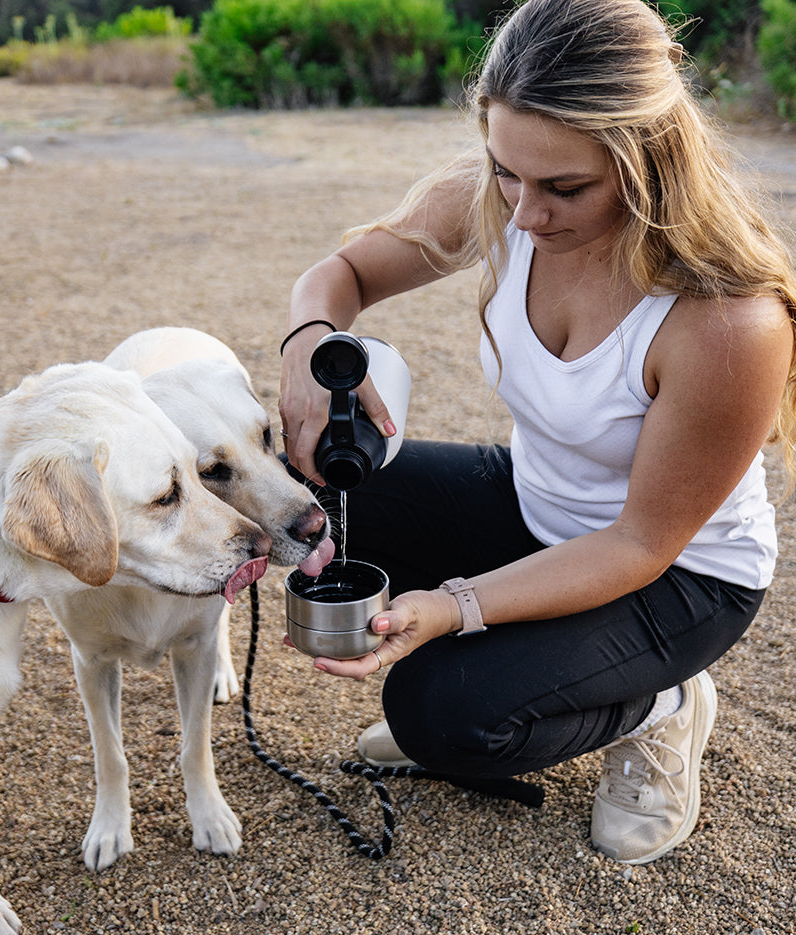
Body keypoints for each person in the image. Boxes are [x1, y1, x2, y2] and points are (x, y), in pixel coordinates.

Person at [277, 0, 796, 865]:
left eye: (565, 188)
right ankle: (540, 663)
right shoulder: (501, 194)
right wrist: (309, 345)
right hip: (533, 502)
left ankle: (663, 704)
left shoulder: (725, 321)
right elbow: (342, 274)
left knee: (439, 716)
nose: (521, 215)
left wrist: (453, 610)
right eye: (505, 170)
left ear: (648, 160)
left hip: (676, 576)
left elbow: (636, 544)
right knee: (303, 484)